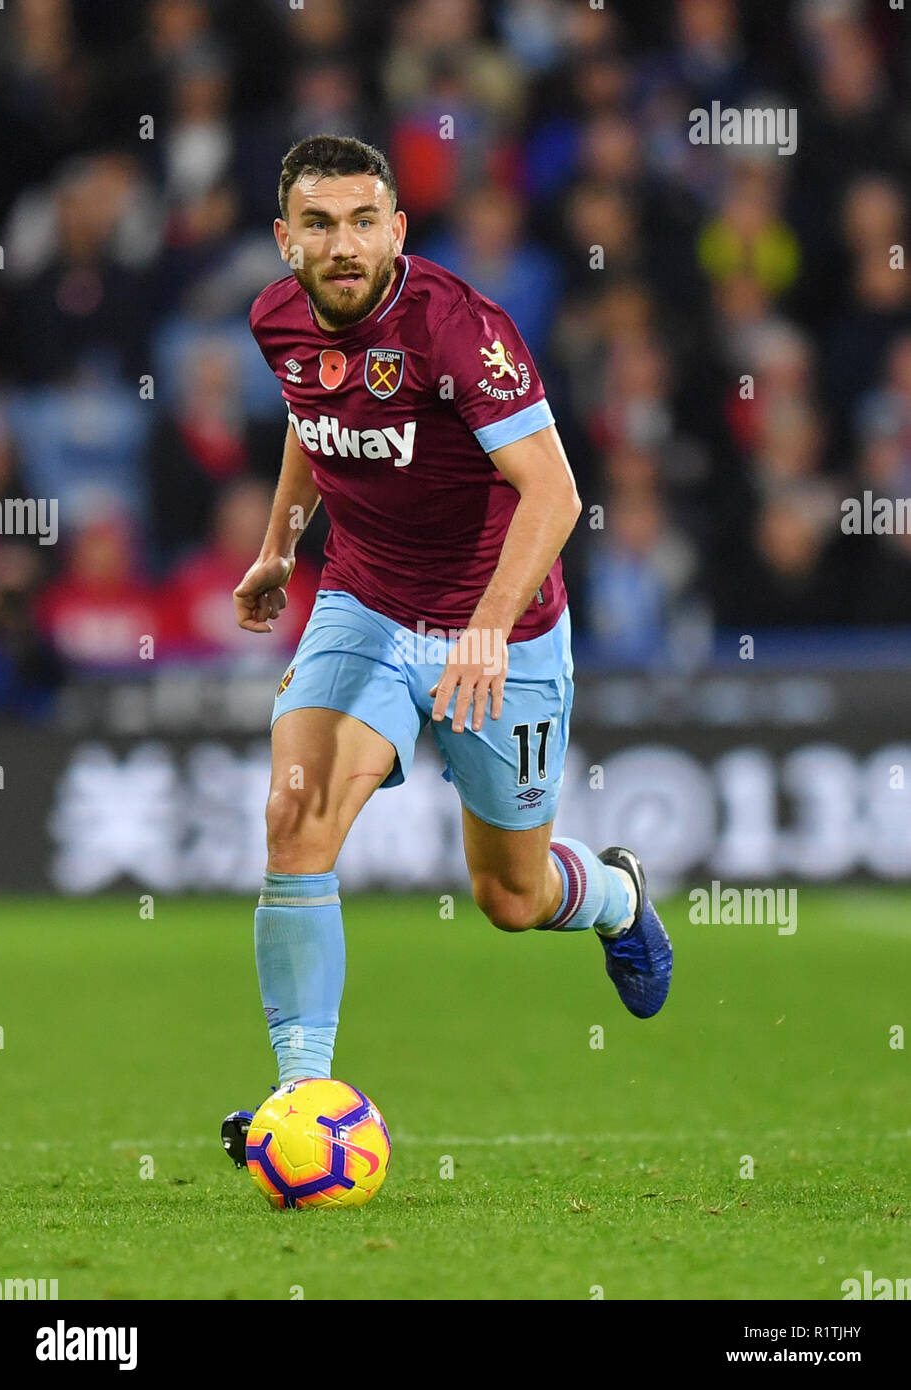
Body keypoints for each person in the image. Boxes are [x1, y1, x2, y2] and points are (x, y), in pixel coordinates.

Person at [220, 135, 672, 1172]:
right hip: (366, 605)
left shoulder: (459, 328)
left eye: (364, 220)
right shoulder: (274, 318)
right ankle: (300, 1096)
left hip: (501, 630)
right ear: (285, 239)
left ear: (397, 230)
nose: (344, 244)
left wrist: (483, 622)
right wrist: (278, 550)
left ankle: (614, 896)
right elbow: (310, 414)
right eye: (321, 224)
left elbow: (554, 493)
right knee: (294, 815)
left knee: (510, 899)